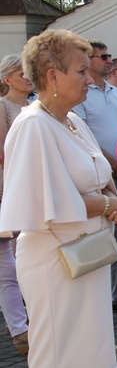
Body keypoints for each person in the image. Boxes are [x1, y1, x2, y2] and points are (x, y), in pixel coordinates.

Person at [0, 29, 117, 366]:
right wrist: (113, 204)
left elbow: (99, 175)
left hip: (87, 253)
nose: (90, 79)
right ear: (52, 76)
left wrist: (116, 204)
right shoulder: (32, 125)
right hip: (55, 260)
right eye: (81, 71)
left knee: (92, 347)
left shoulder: (73, 120)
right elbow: (54, 202)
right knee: (61, 352)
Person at [72, 39, 117, 311]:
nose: (109, 60)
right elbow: (86, 137)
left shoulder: (116, 92)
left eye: (109, 56)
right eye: (102, 56)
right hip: (100, 173)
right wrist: (110, 163)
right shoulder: (82, 95)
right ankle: (107, 293)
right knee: (101, 233)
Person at [0, 54, 32, 354]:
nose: (27, 76)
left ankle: (34, 320)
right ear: (7, 79)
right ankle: (19, 329)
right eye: (19, 73)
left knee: (29, 257)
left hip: (34, 188)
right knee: (7, 264)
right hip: (8, 189)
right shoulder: (3, 107)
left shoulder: (37, 105)